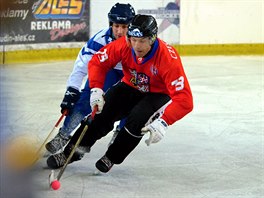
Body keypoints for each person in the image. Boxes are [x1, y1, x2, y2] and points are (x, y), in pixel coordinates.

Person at [47, 14, 193, 173]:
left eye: (142, 41)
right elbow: (97, 62)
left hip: (157, 94)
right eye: (133, 39)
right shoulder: (123, 45)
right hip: (131, 85)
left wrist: (164, 122)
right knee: (101, 114)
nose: (136, 46)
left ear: (152, 39)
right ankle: (70, 153)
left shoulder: (168, 58)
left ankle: (112, 156)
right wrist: (96, 88)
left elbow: (185, 100)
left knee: (137, 120)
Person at [45, 3, 136, 154]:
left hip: (131, 73)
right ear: (110, 24)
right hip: (107, 70)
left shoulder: (139, 41)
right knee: (85, 100)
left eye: (125, 27)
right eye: (117, 26)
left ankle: (119, 136)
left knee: (131, 107)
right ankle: (64, 135)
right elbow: (81, 66)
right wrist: (72, 90)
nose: (120, 31)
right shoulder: (99, 41)